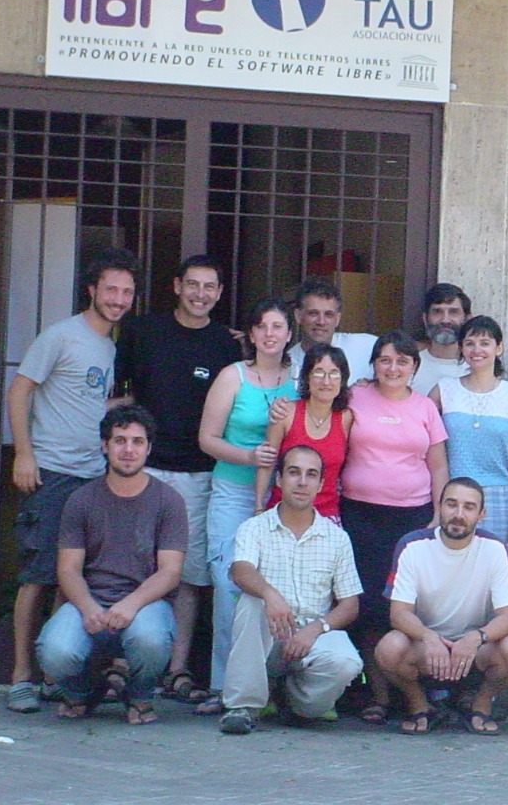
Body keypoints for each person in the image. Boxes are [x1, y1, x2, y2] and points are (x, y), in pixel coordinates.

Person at [4, 246, 138, 713]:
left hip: (92, 477)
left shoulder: (109, 346)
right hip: (53, 473)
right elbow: (19, 390)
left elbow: (87, 406)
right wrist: (25, 453)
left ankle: (54, 674)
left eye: (127, 291)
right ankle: (21, 674)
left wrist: (125, 406)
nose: (119, 299)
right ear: (92, 290)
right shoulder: (61, 336)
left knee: (73, 580)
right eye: (111, 289)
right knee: (38, 577)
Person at [113, 254, 242, 704]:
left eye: (210, 287)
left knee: (189, 574)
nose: (200, 294)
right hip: (141, 469)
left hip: (200, 474)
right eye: (193, 285)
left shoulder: (228, 348)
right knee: (131, 567)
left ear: (220, 293)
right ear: (176, 285)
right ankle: (122, 665)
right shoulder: (141, 332)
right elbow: (120, 397)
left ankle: (178, 668)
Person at [35, 404, 187, 726]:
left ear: (148, 448)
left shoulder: (169, 501)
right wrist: (88, 606)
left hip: (145, 604)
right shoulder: (82, 499)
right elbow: (68, 569)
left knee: (150, 641)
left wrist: (131, 605)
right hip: (90, 601)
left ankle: (140, 696)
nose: (128, 450)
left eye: (137, 441)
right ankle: (83, 692)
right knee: (54, 651)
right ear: (104, 446)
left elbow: (171, 571)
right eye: (119, 441)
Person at [339, 331, 449, 725]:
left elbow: (438, 466)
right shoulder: (354, 397)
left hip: (411, 520)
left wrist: (437, 513)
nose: (392, 368)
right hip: (360, 516)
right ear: (373, 365)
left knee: (400, 607)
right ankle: (374, 695)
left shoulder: (424, 408)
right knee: (366, 606)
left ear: (414, 368)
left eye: (402, 361)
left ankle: (407, 692)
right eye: (384, 360)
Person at [196, 297, 298, 714]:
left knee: (278, 588)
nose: (270, 334)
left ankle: (272, 686)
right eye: (263, 327)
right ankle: (224, 686)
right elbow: (207, 439)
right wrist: (251, 456)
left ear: (290, 334)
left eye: (279, 327)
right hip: (232, 493)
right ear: (252, 334)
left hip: (284, 499)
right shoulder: (231, 377)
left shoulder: (301, 379)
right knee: (227, 584)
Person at [219, 445, 364, 734]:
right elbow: (241, 570)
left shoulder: (337, 539)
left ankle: (295, 704)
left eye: (311, 475)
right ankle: (244, 706)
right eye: (294, 472)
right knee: (251, 602)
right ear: (279, 479)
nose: (302, 481)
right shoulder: (254, 528)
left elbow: (350, 605)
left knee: (347, 662)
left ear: (321, 484)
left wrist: (316, 629)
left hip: (310, 639)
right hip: (267, 638)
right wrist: (270, 594)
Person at [376, 478, 508, 735]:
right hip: (426, 651)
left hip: (476, 653)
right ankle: (420, 707)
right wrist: (428, 637)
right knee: (389, 648)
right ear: (439, 507)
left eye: (469, 507)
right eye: (452, 504)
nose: (459, 514)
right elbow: (399, 614)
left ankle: (480, 706)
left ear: (481, 515)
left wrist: (476, 638)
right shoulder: (412, 546)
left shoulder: (495, 549)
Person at [430, 315, 508, 550]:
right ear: (461, 348)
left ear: (499, 348)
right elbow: (416, 419)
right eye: (470, 343)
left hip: (499, 498)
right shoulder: (445, 389)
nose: (477, 350)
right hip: (453, 494)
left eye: (485, 343)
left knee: (492, 571)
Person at [254, 344, 352, 523]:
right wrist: (259, 507)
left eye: (334, 373)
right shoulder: (286, 413)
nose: (326, 381)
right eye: (319, 372)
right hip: (283, 512)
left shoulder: (346, 418)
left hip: (327, 514)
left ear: (343, 379)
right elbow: (267, 463)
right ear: (307, 377)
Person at [287, 280, 376, 384]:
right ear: (298, 316)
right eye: (313, 313)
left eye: (328, 314)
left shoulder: (367, 347)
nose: (321, 321)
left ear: (338, 319)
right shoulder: (287, 365)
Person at [410, 282, 471, 396]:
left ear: (466, 319)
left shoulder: (477, 367)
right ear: (425, 318)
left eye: (453, 312)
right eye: (437, 312)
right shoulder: (408, 365)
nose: (445, 320)